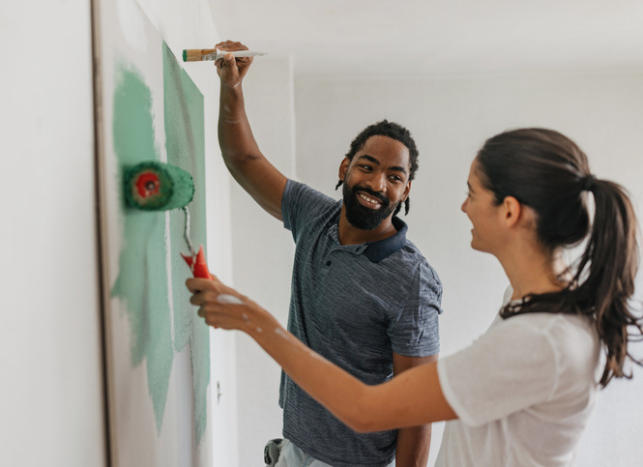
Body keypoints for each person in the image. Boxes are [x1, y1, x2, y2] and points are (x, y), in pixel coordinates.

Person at [188, 128, 642, 466]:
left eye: (472, 192)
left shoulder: (540, 340)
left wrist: (252, 320)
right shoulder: (534, 302)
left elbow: (368, 411)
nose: (463, 206)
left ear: (509, 211)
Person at [212, 40, 443, 467]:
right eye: (367, 166)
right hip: (293, 446)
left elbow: (418, 406)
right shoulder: (313, 215)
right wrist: (233, 88)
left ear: (406, 190)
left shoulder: (411, 279)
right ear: (345, 168)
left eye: (395, 176)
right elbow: (243, 158)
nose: (377, 184)